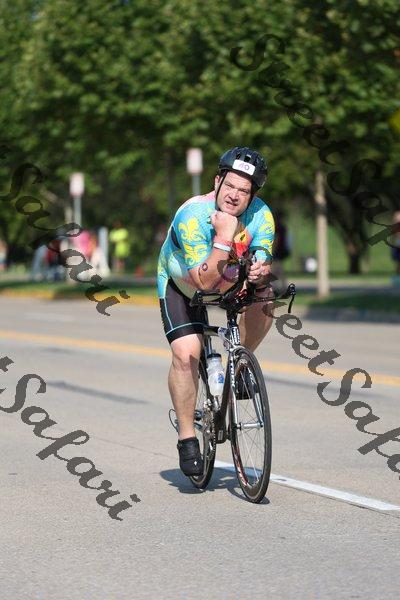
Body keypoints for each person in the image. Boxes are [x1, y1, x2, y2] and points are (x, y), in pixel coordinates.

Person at [157, 146, 275, 477]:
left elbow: (263, 255)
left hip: (229, 280)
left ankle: (240, 365)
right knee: (187, 354)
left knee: (267, 295)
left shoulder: (262, 215)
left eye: (244, 190)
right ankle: (186, 438)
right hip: (183, 285)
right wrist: (224, 236)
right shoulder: (192, 215)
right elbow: (203, 281)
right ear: (217, 181)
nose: (235, 195)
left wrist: (260, 269)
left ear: (253, 195)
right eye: (230, 185)